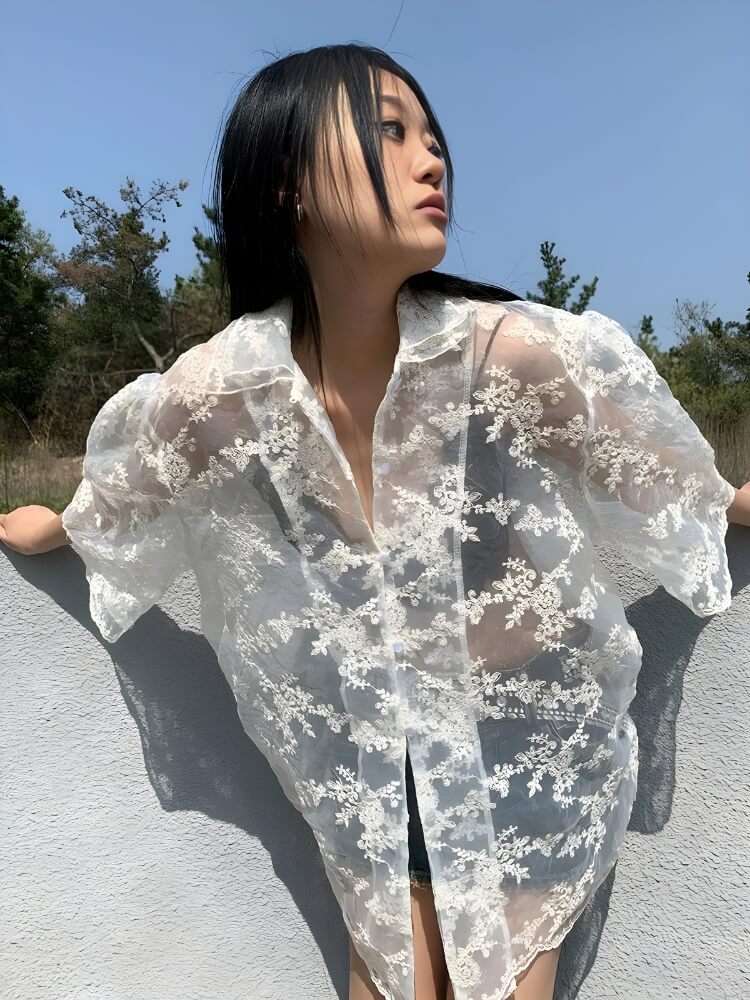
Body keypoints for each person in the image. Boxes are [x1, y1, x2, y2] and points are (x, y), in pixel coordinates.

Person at [2, 42, 748, 1000]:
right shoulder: (228, 387)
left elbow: (681, 489)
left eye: (430, 136)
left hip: (517, 761)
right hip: (363, 775)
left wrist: (736, 505)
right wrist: (52, 529)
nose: (431, 158)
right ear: (287, 184)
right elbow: (125, 493)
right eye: (390, 131)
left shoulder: (514, 356)